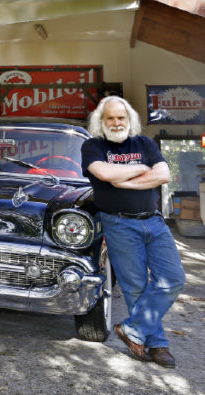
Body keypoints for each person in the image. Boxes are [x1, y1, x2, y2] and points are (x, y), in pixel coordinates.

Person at [81, 96, 185, 369]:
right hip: (119, 224)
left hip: (154, 222)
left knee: (173, 278)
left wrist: (123, 181)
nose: (116, 122)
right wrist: (141, 169)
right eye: (110, 118)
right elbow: (103, 173)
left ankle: (133, 330)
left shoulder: (145, 143)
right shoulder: (92, 146)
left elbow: (163, 174)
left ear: (129, 120)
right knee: (135, 286)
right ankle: (158, 345)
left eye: (121, 117)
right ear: (101, 122)